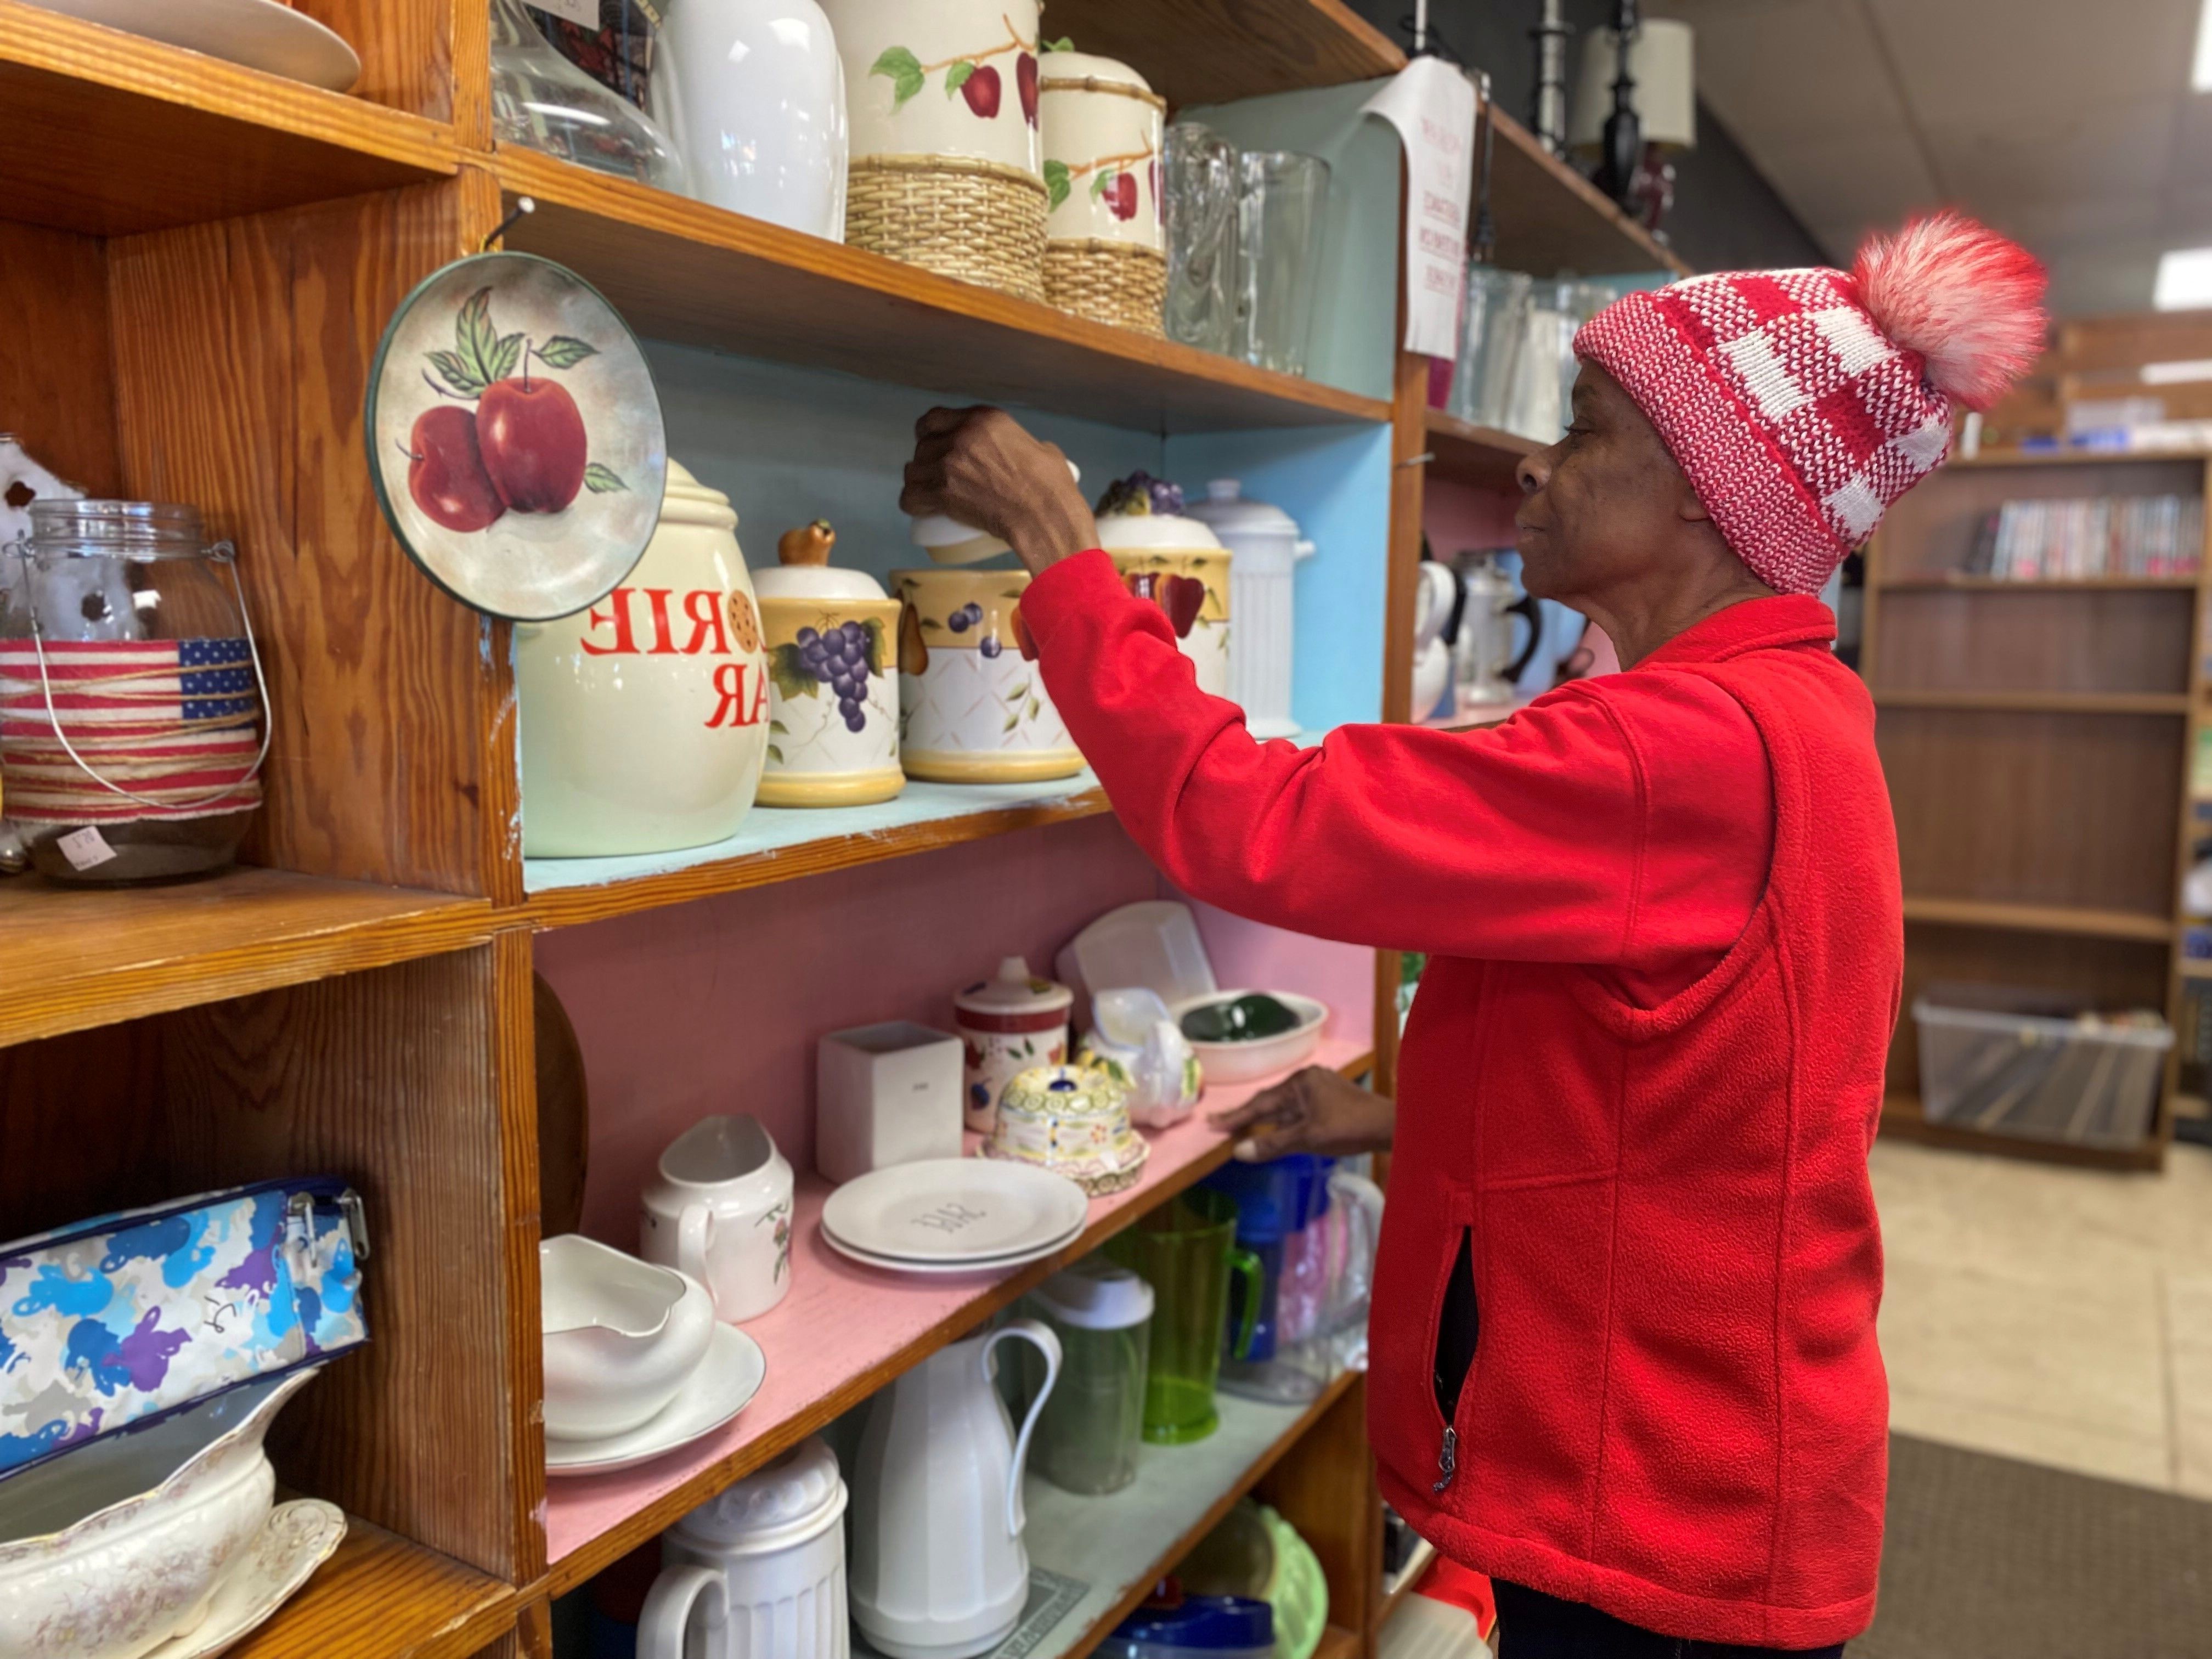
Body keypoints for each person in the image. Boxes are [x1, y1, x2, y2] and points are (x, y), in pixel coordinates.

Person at [901, 212, 2046, 1656]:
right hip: (1716, 1473)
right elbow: (1696, 1091)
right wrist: (1389, 1118)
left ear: (1709, 491)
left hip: (1658, 1513)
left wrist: (1058, 541)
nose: (1535, 467)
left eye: (1587, 432)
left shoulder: (1670, 752)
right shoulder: (1796, 716)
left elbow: (1238, 813)